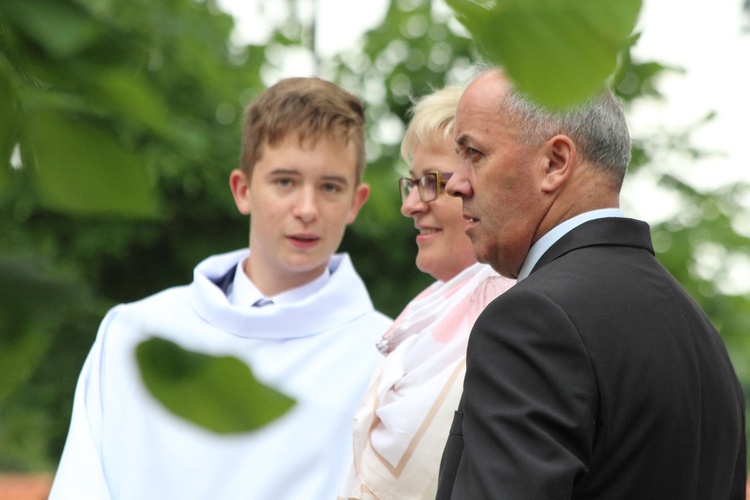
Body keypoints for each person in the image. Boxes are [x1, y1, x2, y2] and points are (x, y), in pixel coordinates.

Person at [49, 77, 392, 500]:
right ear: (243, 190)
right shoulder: (133, 333)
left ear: (355, 201)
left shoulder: (387, 361)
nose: (307, 209)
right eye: (285, 182)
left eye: (330, 187)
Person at [435, 67, 747, 499]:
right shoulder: (700, 332)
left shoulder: (530, 321)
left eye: (474, 153)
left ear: (555, 163)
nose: (455, 183)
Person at [338, 85, 514, 500]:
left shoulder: (512, 313)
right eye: (412, 183)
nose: (411, 204)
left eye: (432, 182)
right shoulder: (429, 313)